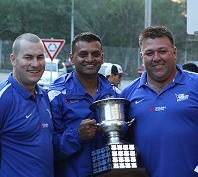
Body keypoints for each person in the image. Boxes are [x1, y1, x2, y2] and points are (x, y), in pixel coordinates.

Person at [120, 25, 198, 177]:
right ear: (142, 56)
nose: (156, 58)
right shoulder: (128, 94)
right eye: (149, 53)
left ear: (174, 52)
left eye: (162, 51)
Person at [47, 32, 116, 177]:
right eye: (83, 54)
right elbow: (47, 147)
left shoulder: (115, 94)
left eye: (95, 54)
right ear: (72, 58)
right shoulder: (56, 94)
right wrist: (77, 136)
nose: (90, 59)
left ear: (102, 58)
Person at [0, 33, 54, 176]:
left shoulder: (44, 96)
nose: (35, 64)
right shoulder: (3, 98)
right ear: (13, 59)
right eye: (28, 57)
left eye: (40, 57)